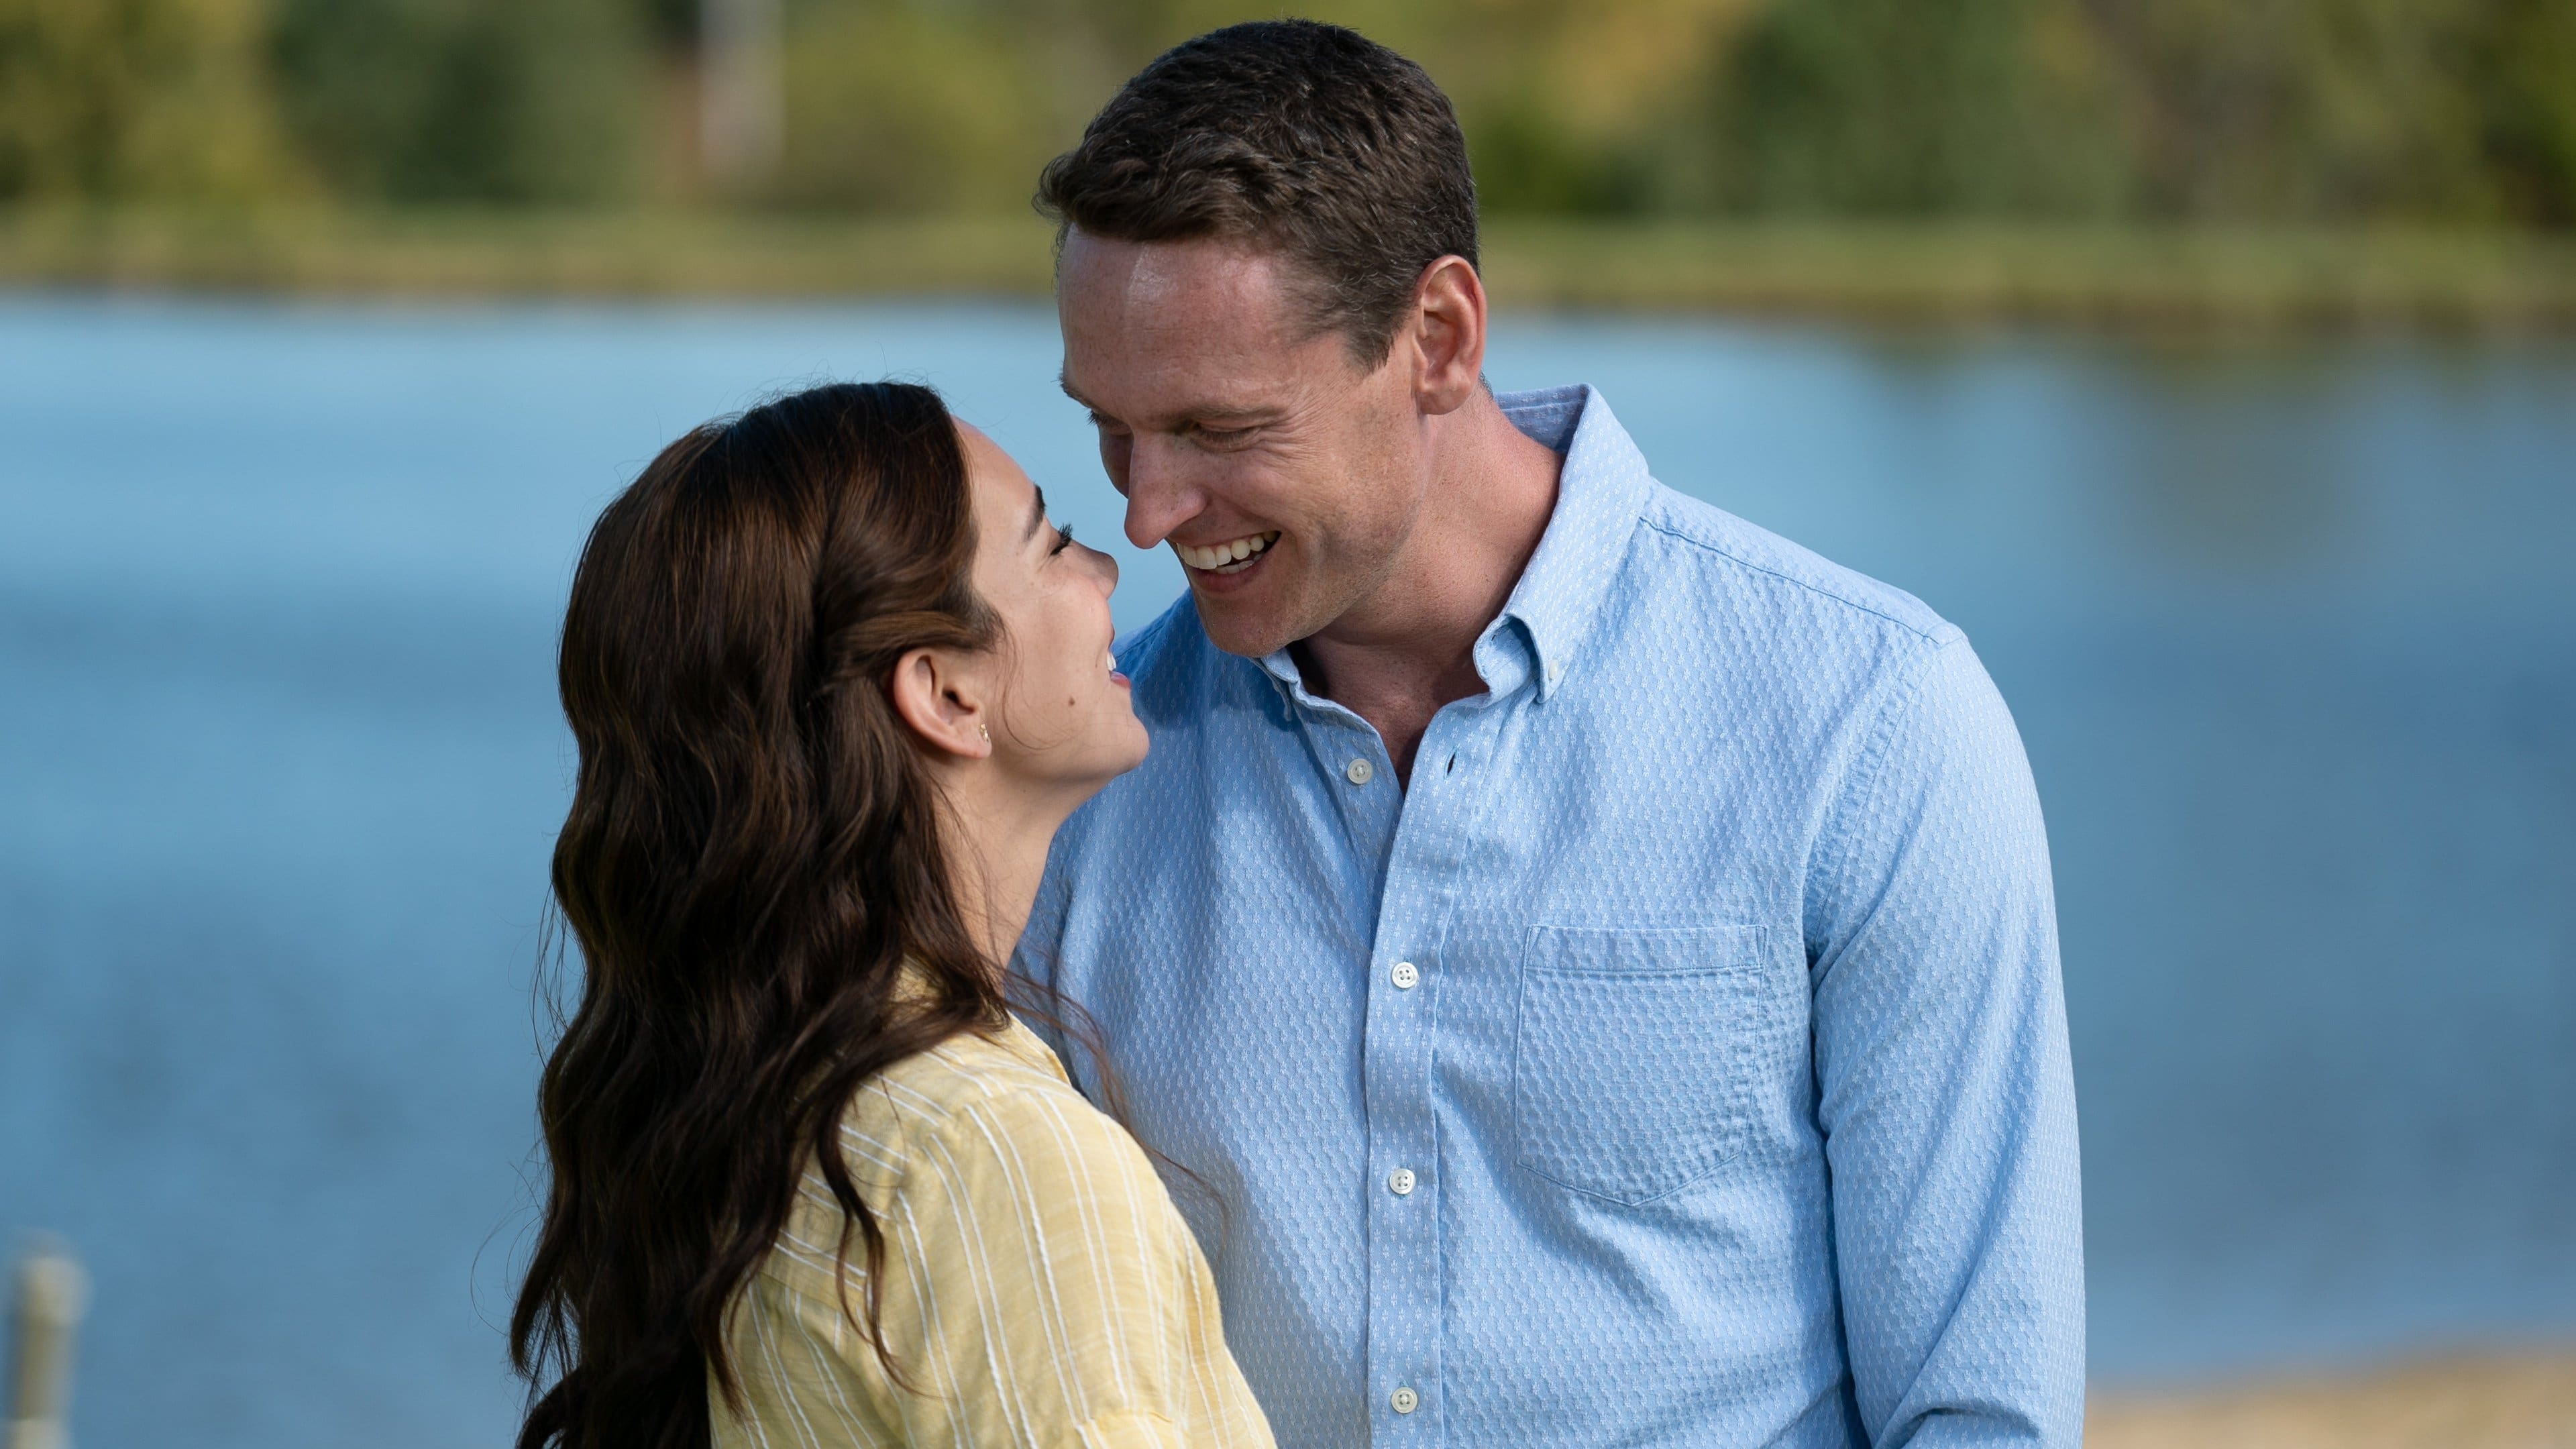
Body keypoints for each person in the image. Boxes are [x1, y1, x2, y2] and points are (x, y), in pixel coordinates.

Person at [1014, 21, 2084, 1449]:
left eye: (1220, 430)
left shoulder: (1872, 728)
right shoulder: (1078, 780)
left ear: (1438, 341)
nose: (1147, 513)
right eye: (1113, 429)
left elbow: (1978, 1408)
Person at [509, 382, 1275, 1449]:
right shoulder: (998, 1163)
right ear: (945, 694)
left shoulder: (754, 1104)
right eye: (1054, 543)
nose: (1108, 567)